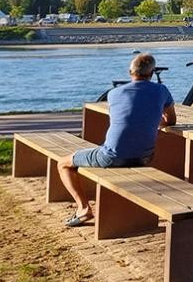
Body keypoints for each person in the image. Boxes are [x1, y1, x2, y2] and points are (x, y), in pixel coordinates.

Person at [58, 52, 176, 227]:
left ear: (130, 72)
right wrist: (155, 119)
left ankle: (83, 209)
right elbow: (171, 121)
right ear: (151, 73)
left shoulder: (114, 93)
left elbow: (124, 117)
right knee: (110, 148)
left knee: (63, 163)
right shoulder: (161, 90)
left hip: (111, 156)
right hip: (145, 156)